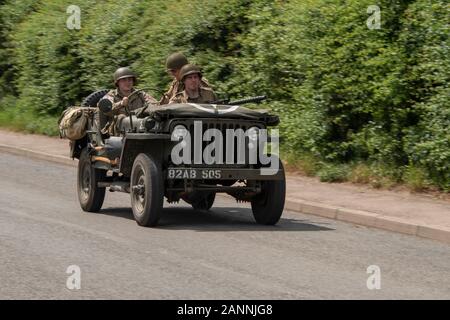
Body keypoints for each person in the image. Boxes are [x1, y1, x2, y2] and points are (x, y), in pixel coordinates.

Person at [99, 66, 157, 135]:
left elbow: (153, 103)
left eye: (130, 80)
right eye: (124, 80)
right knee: (121, 117)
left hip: (139, 127)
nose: (127, 82)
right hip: (117, 131)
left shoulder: (140, 94)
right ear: (118, 82)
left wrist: (159, 104)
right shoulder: (111, 95)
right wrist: (121, 104)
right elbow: (106, 110)